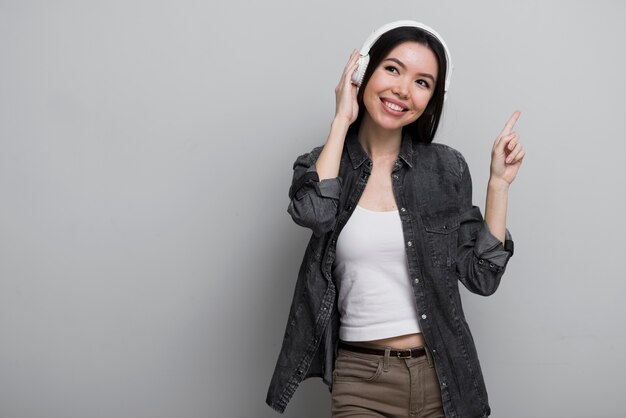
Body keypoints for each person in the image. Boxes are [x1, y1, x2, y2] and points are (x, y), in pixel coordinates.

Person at [266, 20, 525, 418]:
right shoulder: (322, 164)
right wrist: (341, 118)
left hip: (443, 375)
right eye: (392, 69)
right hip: (361, 378)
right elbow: (314, 213)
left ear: (431, 98)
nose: (403, 90)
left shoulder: (446, 168)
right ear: (362, 73)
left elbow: (482, 277)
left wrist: (498, 187)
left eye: (423, 82)